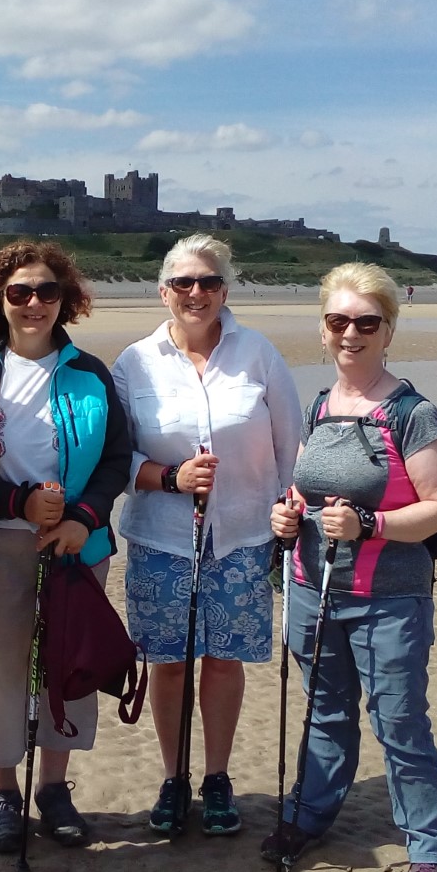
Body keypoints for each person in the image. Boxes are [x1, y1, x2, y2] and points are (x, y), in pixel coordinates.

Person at [265, 262, 437, 872]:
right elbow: (306, 490)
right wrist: (287, 515)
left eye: (366, 323)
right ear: (323, 329)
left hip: (389, 599)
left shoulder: (413, 414)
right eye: (338, 321)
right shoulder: (320, 406)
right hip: (312, 589)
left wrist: (371, 524)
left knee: (400, 724)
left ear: (388, 330)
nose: (351, 333)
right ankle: (308, 816)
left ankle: (429, 851)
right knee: (325, 713)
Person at [112, 234, 302, 835]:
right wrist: (170, 477)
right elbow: (115, 459)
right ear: (163, 291)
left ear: (225, 289)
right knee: (168, 663)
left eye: (210, 282)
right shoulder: (134, 362)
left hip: (243, 535)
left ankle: (217, 778)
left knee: (223, 660)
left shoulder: (258, 354)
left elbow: (291, 445)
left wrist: (290, 513)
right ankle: (174, 777)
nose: (197, 293)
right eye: (184, 283)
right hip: (161, 538)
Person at [0, 241, 131, 852]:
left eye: (47, 291)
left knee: (67, 663)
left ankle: (54, 789)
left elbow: (117, 459)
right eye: (20, 292)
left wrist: (83, 518)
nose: (34, 303)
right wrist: (19, 503)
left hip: (76, 546)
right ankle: (3, 793)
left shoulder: (90, 372)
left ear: (66, 299)